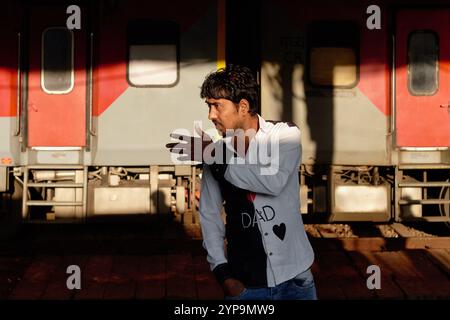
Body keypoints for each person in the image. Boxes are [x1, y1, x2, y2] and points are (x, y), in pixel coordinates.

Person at [166, 65, 316, 300]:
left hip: (296, 282)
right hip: (246, 287)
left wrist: (214, 155)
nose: (211, 115)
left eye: (217, 105)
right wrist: (223, 274)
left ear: (243, 106)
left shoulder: (284, 135)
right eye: (208, 106)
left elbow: (273, 181)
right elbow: (209, 215)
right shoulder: (215, 153)